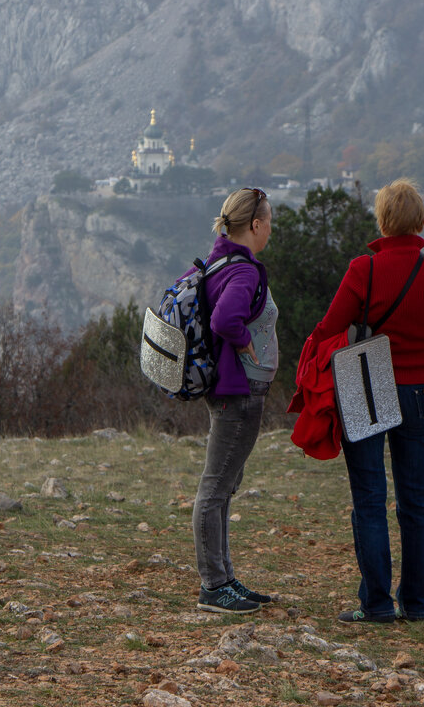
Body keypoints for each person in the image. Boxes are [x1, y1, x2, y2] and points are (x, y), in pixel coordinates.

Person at [308, 178, 424, 623]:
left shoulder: (362, 270)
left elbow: (329, 329)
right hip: (421, 392)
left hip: (367, 386)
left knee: (369, 499)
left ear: (382, 221)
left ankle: (376, 605)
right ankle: (417, 604)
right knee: (415, 499)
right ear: (422, 220)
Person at [192, 187, 278, 614]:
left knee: (226, 485)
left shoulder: (219, 258)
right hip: (237, 391)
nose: (271, 230)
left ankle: (224, 577)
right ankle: (213, 586)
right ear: (256, 225)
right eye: (269, 221)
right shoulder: (244, 271)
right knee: (216, 487)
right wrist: (245, 344)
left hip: (228, 390)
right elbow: (225, 318)